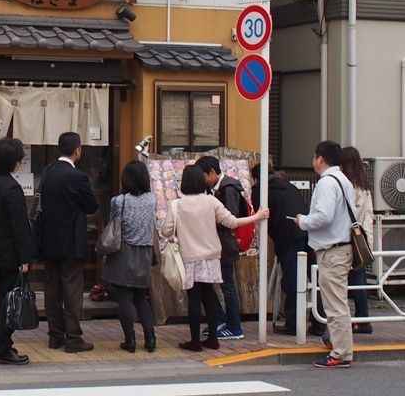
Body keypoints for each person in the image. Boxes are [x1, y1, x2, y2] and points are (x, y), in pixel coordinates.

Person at [162, 164, 268, 352]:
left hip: (190, 257)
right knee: (210, 295)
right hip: (211, 256)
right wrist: (257, 217)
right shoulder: (211, 201)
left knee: (194, 298)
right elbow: (232, 222)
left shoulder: (176, 205)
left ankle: (195, 341)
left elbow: (165, 231)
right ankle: (213, 339)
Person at [294, 140, 355, 369]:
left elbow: (324, 216)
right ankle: (340, 346)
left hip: (332, 250)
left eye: (314, 157)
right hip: (342, 246)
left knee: (335, 304)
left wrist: (303, 221)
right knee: (339, 302)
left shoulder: (326, 183)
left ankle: (341, 353)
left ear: (320, 158)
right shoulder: (343, 180)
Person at [38, 131, 99, 353]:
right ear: (77, 150)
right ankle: (74, 338)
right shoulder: (78, 177)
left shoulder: (48, 172)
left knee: (52, 288)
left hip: (49, 239)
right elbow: (91, 205)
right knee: (72, 290)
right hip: (71, 240)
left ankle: (55, 335)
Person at [0, 138, 32, 365]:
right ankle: (1, 348)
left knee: (4, 298)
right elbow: (19, 226)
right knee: (10, 302)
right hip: (11, 254)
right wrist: (24, 258)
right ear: (14, 162)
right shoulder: (12, 188)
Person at [102, 160, 157, 354]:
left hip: (124, 251)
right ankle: (150, 338)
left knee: (124, 297)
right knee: (141, 297)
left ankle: (130, 340)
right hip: (145, 252)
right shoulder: (153, 199)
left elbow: (113, 224)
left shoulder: (119, 201)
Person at [250, 161, 308, 336]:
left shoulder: (260, 191)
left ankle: (293, 324)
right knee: (314, 277)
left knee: (292, 280)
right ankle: (318, 322)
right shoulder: (288, 185)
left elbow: (262, 216)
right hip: (309, 232)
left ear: (255, 178)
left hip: (287, 237)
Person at [196, 156, 248, 340]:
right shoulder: (214, 189)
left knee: (227, 286)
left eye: (202, 176)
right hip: (218, 243)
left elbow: (230, 219)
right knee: (212, 284)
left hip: (226, 245)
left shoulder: (228, 188)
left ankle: (234, 327)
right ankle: (222, 320)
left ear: (211, 172)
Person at [339, 146, 374, 334]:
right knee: (359, 279)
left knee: (349, 279)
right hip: (363, 237)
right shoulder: (364, 185)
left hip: (350, 238)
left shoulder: (349, 185)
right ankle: (362, 318)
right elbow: (369, 214)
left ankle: (361, 319)